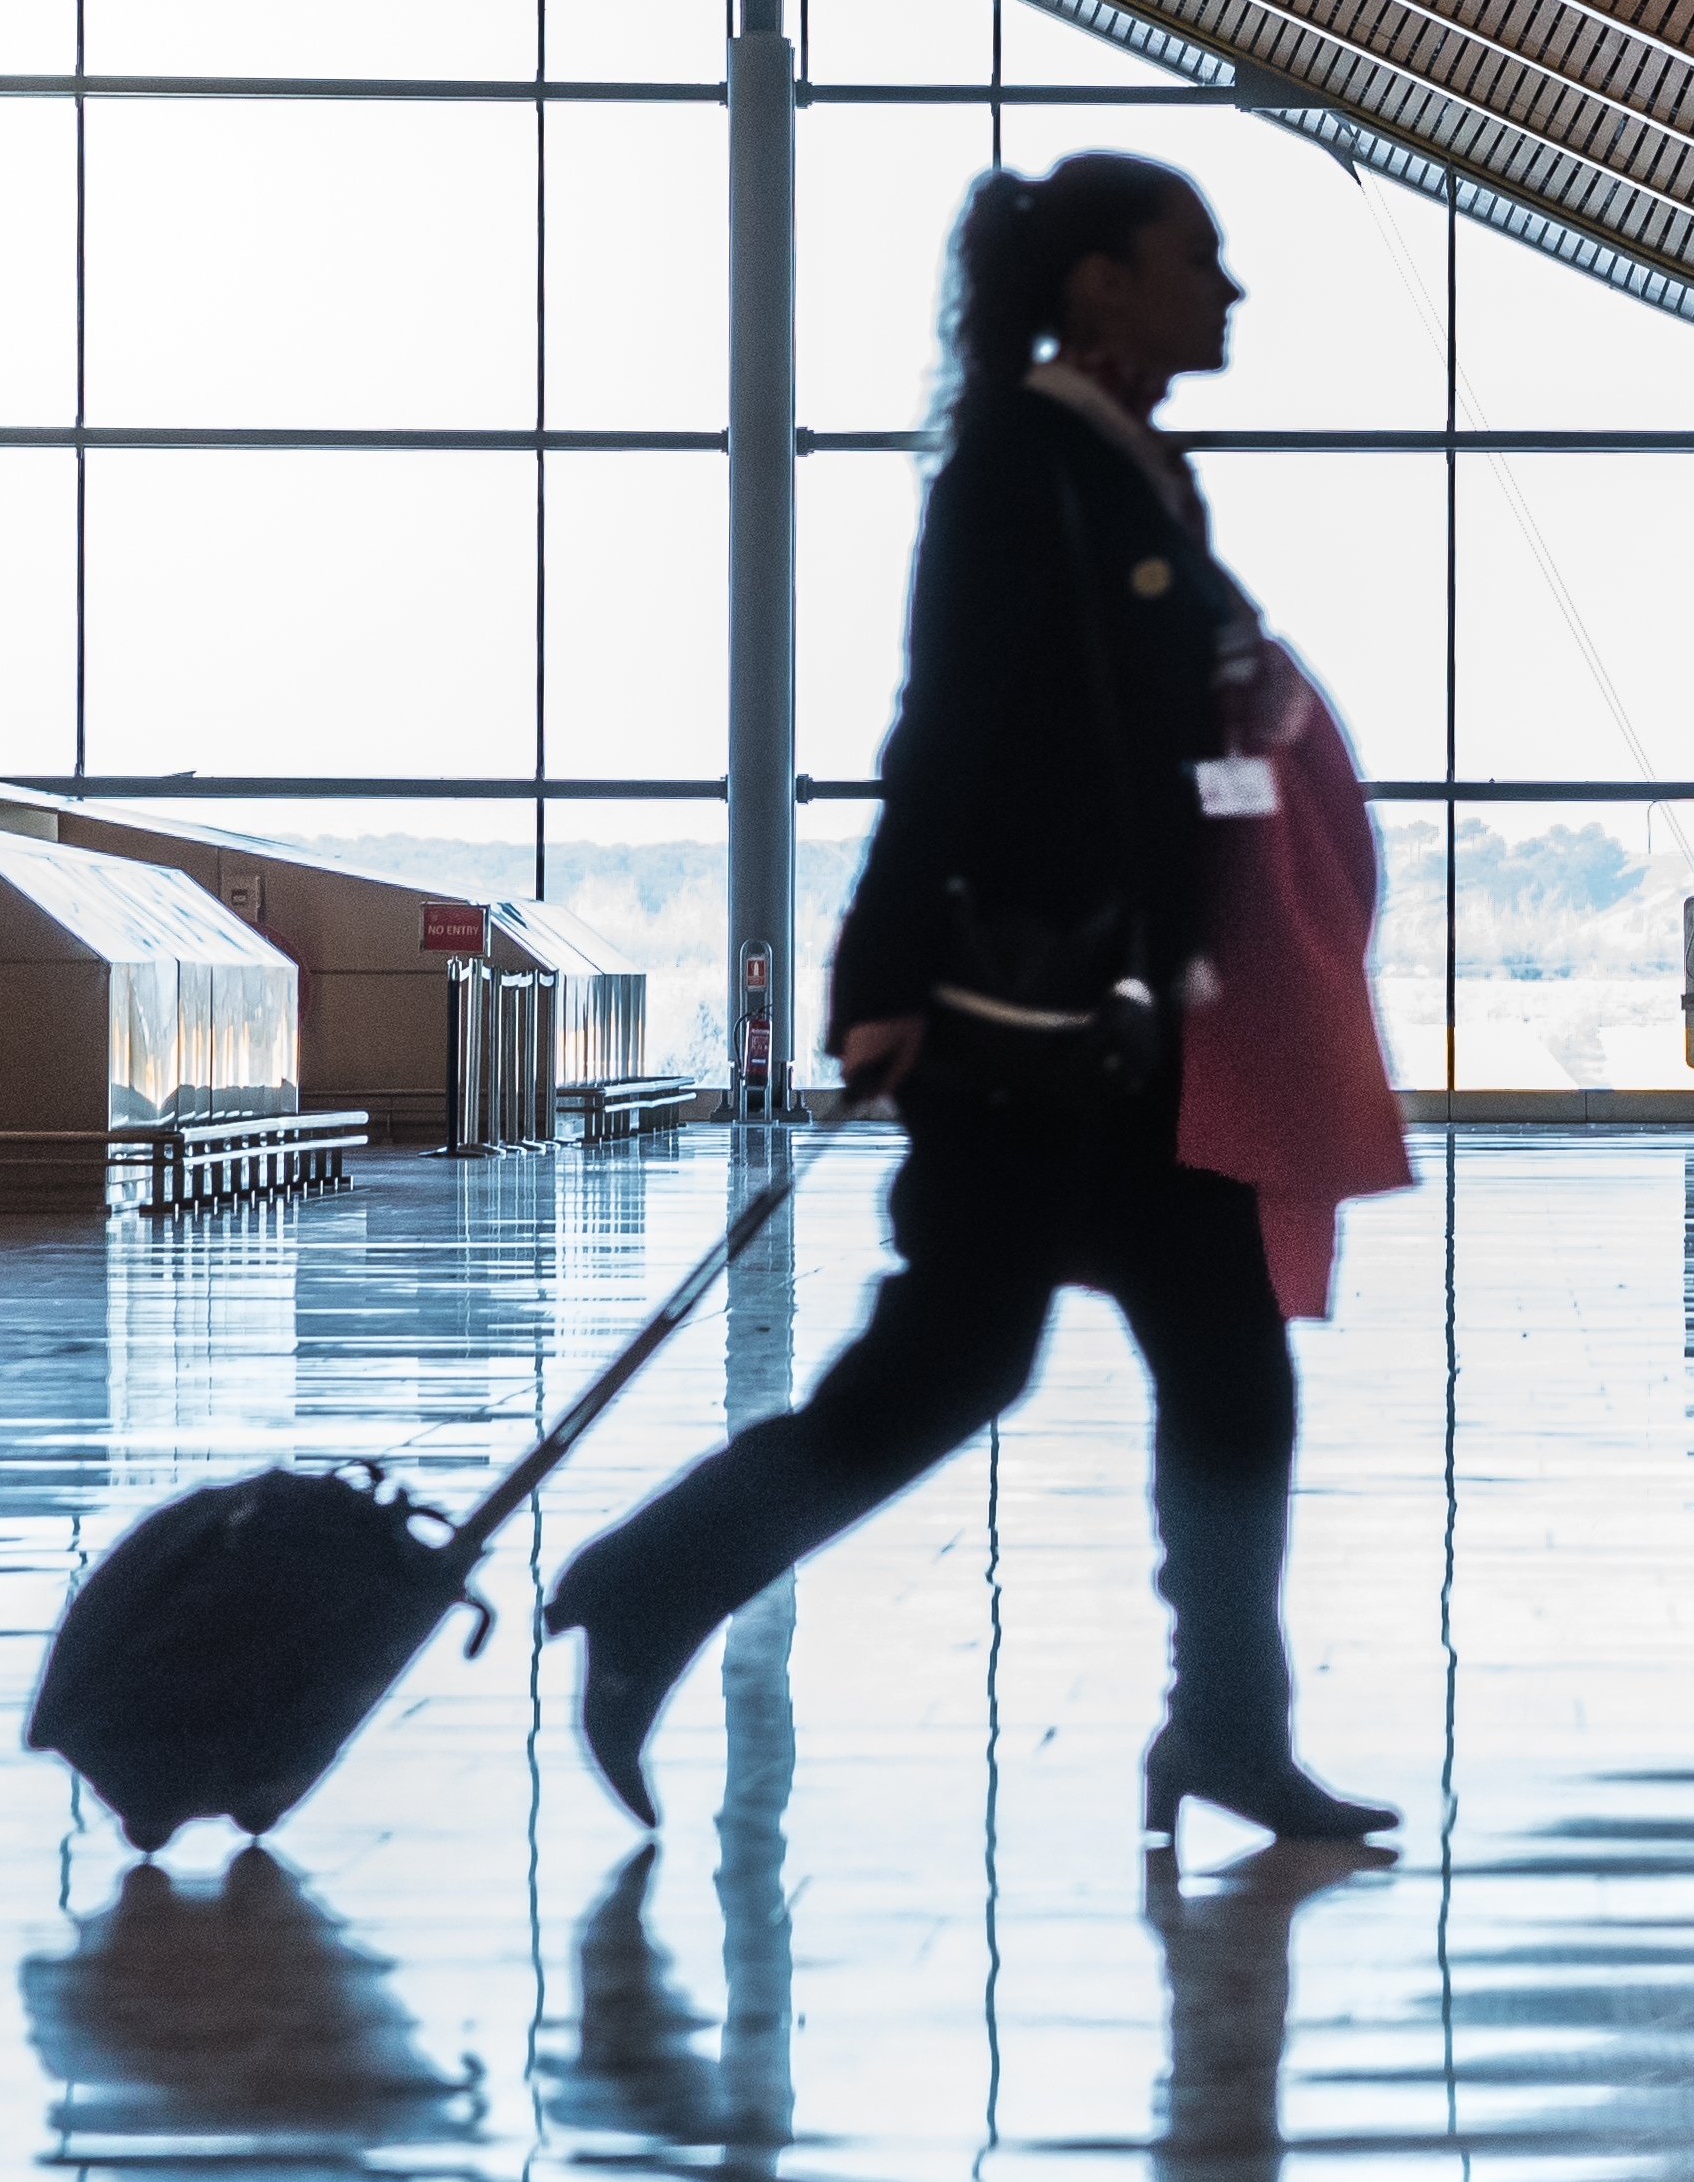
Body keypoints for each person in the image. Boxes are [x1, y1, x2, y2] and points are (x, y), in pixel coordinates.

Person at [542, 154, 1406, 1850]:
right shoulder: (1025, 463)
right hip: (1028, 1042)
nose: (1225, 293)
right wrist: (873, 983)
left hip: (1133, 1039)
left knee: (1226, 1379)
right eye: (1196, 259)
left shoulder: (1134, 472)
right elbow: (941, 724)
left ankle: (1226, 1733)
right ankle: (645, 1584)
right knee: (944, 1376)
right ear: (1097, 282)